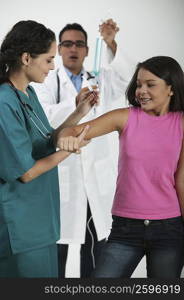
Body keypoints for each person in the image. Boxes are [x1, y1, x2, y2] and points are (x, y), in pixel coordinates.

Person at [57, 56, 184, 278]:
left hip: (169, 229)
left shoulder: (181, 123)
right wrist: (67, 137)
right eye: (139, 84)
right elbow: (69, 132)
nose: (141, 90)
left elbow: (182, 180)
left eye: (150, 84)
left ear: (171, 88)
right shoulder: (124, 117)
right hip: (125, 228)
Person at [33, 19, 133, 278]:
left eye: (79, 44)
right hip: (61, 174)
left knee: (94, 248)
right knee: (58, 250)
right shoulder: (45, 82)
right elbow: (42, 119)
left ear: (88, 50)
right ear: (58, 49)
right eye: (66, 44)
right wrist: (76, 106)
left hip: (94, 181)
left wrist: (111, 42)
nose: (72, 49)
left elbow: (128, 78)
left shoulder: (99, 79)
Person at [0, 20, 98, 278]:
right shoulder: (4, 102)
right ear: (26, 58)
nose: (54, 66)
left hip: (41, 221)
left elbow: (47, 140)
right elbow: (26, 172)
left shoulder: (27, 94)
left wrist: (79, 112)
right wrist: (71, 149)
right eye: (48, 59)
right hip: (20, 226)